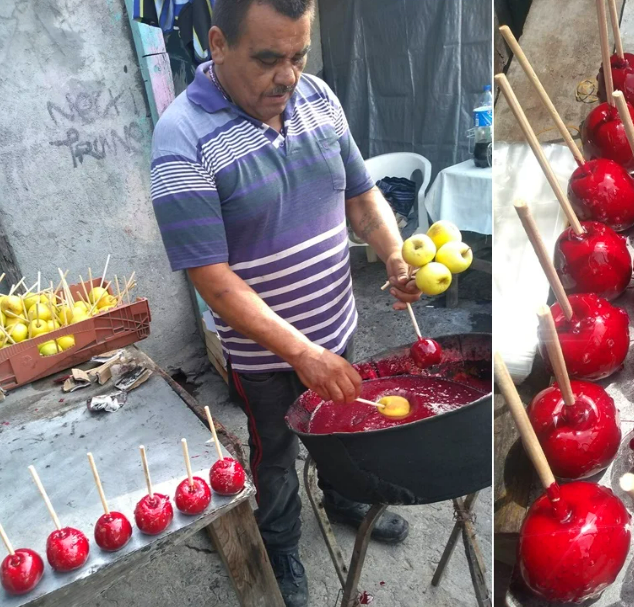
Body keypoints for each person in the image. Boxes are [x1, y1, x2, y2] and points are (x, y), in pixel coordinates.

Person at [147, 1, 420, 604]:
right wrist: (301, 354)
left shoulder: (318, 97)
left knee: (342, 426)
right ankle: (281, 546)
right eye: (268, 59)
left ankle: (344, 498)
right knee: (275, 455)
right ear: (218, 44)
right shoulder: (182, 140)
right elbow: (212, 278)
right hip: (266, 357)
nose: (288, 76)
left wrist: (396, 255)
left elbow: (362, 195)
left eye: (298, 55)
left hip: (338, 325)